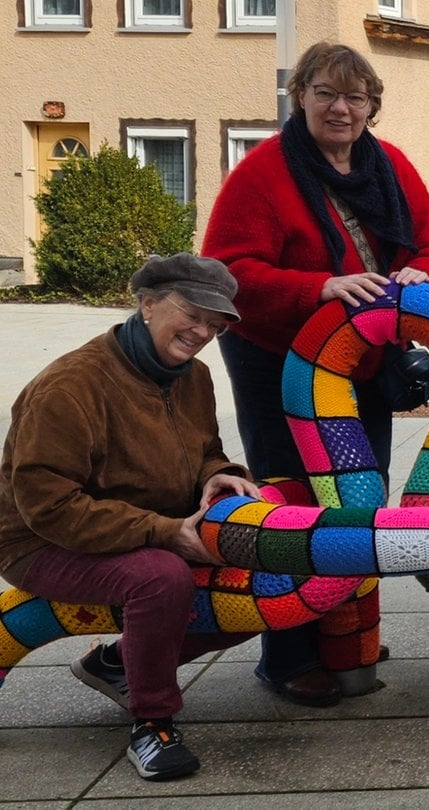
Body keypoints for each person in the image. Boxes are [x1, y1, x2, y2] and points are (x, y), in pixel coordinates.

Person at [203, 42, 429, 706]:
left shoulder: (389, 165)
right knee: (292, 504)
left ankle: (344, 631)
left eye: (355, 96)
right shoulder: (263, 173)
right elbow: (227, 272)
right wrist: (321, 286)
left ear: (372, 103)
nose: (341, 108)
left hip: (357, 360)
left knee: (357, 498)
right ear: (302, 98)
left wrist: (420, 273)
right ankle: (286, 656)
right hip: (275, 361)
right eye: (326, 93)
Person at [0, 254, 259, 781]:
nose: (203, 331)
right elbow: (48, 505)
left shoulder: (194, 376)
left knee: (260, 577)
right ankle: (152, 722)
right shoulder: (71, 386)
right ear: (146, 303)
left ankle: (117, 663)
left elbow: (205, 448)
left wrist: (219, 473)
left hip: (143, 527)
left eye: (215, 323)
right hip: (40, 540)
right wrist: (164, 534)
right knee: (160, 578)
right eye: (193, 312)